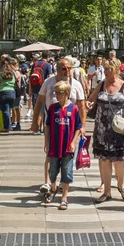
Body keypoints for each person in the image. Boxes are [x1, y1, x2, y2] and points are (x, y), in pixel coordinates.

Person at [31, 57, 86, 195]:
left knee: (67, 154)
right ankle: (48, 183)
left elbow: (82, 106)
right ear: (57, 68)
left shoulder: (76, 84)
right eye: (63, 68)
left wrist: (83, 126)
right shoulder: (48, 83)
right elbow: (39, 102)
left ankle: (63, 183)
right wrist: (34, 122)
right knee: (50, 153)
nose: (66, 71)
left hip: (70, 126)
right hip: (52, 124)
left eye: (69, 68)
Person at [87, 59, 124, 203]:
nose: (106, 72)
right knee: (104, 161)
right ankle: (107, 192)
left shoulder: (123, 86)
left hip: (119, 131)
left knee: (119, 161)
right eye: (105, 69)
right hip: (102, 129)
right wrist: (89, 104)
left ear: (116, 70)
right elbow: (91, 100)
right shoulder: (101, 84)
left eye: (109, 69)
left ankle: (121, 185)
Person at [43, 81, 83, 209]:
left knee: (67, 172)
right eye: (55, 93)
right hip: (54, 145)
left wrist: (73, 142)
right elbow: (48, 125)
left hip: (67, 147)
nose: (56, 95)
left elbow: (78, 127)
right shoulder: (53, 108)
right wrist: (46, 142)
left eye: (59, 93)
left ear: (66, 94)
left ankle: (64, 197)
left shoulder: (74, 108)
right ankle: (53, 189)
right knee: (53, 171)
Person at [0, 58, 16, 133]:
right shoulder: (13, 73)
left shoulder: (1, 73)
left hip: (3, 92)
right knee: (9, 110)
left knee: (5, 110)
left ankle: (7, 127)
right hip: (12, 92)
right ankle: (9, 124)